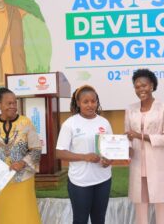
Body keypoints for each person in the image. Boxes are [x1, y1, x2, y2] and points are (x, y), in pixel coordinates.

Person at [0, 87, 42, 224]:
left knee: (25, 215)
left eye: (15, 103)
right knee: (4, 214)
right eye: (9, 103)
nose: (13, 106)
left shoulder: (26, 123)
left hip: (23, 179)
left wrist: (22, 163)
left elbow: (36, 149)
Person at [125, 69, 164, 224]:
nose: (141, 89)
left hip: (159, 165)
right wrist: (124, 150)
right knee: (140, 208)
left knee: (162, 206)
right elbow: (127, 136)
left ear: (152, 85)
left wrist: (141, 136)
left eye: (144, 85)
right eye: (137, 86)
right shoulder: (130, 109)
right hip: (138, 165)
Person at [56, 85, 113, 224]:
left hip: (103, 180)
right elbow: (59, 152)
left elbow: (110, 148)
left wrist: (109, 160)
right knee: (80, 220)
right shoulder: (70, 124)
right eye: (85, 102)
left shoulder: (104, 123)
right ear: (78, 103)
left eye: (93, 101)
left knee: (99, 220)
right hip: (80, 182)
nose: (90, 105)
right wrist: (84, 157)